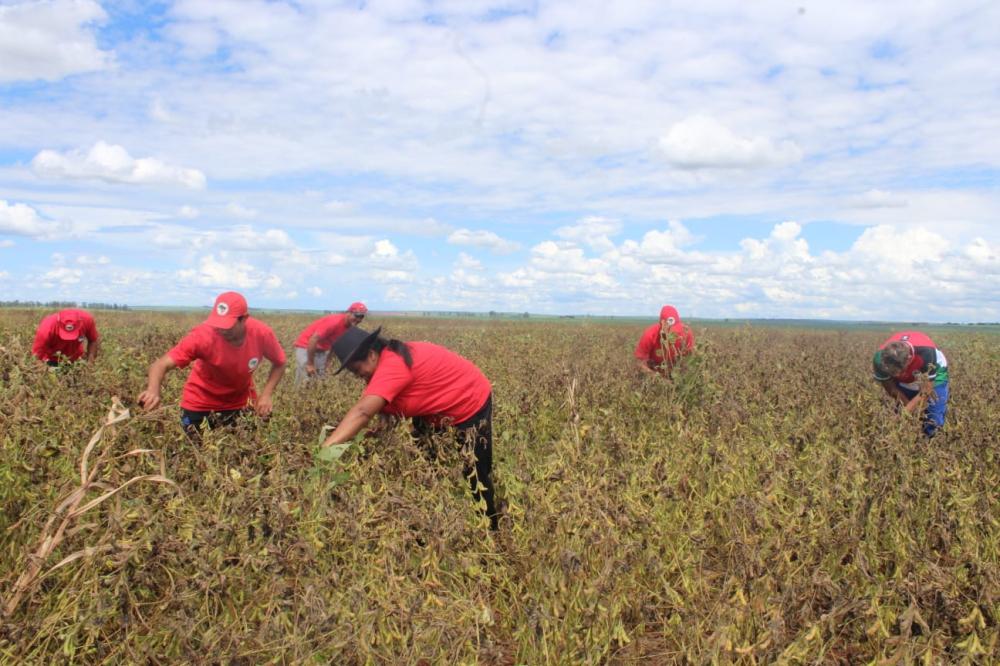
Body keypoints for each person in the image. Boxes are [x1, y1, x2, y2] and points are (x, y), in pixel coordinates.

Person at [321, 326, 499, 530]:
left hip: (469, 402)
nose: (357, 376)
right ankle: (432, 524)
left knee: (475, 472)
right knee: (425, 468)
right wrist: (374, 430)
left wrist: (327, 449)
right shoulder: (385, 363)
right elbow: (383, 410)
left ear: (371, 355)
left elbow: (362, 412)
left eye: (356, 369)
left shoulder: (392, 365)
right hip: (432, 413)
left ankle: (491, 530)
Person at [137, 291, 286, 438]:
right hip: (200, 403)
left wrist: (266, 395)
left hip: (240, 402)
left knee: (246, 449)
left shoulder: (261, 334)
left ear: (244, 319)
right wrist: (152, 390)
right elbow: (161, 365)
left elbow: (280, 363)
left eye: (227, 325)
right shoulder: (202, 336)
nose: (221, 330)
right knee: (195, 451)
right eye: (218, 324)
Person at [873, 331, 950, 437]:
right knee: (902, 412)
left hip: (936, 373)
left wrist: (906, 413)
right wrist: (907, 410)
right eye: (892, 373)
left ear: (909, 359)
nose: (896, 375)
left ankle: (930, 439)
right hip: (907, 375)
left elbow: (926, 390)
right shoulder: (879, 359)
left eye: (899, 372)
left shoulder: (926, 353)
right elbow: (891, 388)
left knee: (934, 418)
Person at [292, 302, 367, 383]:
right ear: (348, 313)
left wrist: (328, 362)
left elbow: (335, 344)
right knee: (306, 378)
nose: (359, 319)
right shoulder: (334, 322)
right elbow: (313, 339)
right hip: (306, 347)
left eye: (361, 317)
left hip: (321, 350)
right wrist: (310, 364)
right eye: (357, 316)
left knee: (320, 379)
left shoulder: (349, 327)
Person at [635, 305, 695, 376]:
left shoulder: (686, 333)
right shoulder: (650, 335)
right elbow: (639, 363)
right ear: (661, 325)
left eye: (675, 331)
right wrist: (658, 379)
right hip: (653, 373)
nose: (673, 334)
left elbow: (689, 360)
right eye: (669, 330)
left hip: (676, 373)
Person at [32, 308, 100, 366]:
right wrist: (47, 373)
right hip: (52, 360)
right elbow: (36, 357)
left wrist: (90, 362)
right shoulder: (47, 328)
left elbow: (93, 340)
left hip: (76, 359)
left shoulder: (87, 320)